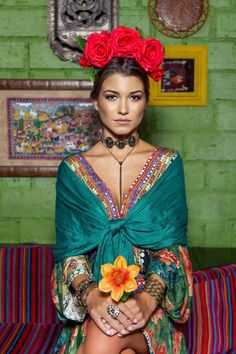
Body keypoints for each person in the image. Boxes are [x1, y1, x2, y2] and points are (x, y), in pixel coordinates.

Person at [51, 26, 193, 354]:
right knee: (109, 336)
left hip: (151, 302)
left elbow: (173, 252)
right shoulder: (72, 171)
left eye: (135, 96)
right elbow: (69, 254)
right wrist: (93, 297)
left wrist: (146, 300)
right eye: (112, 96)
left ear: (146, 102)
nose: (123, 109)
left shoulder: (168, 165)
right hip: (95, 302)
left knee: (106, 337)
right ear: (96, 101)